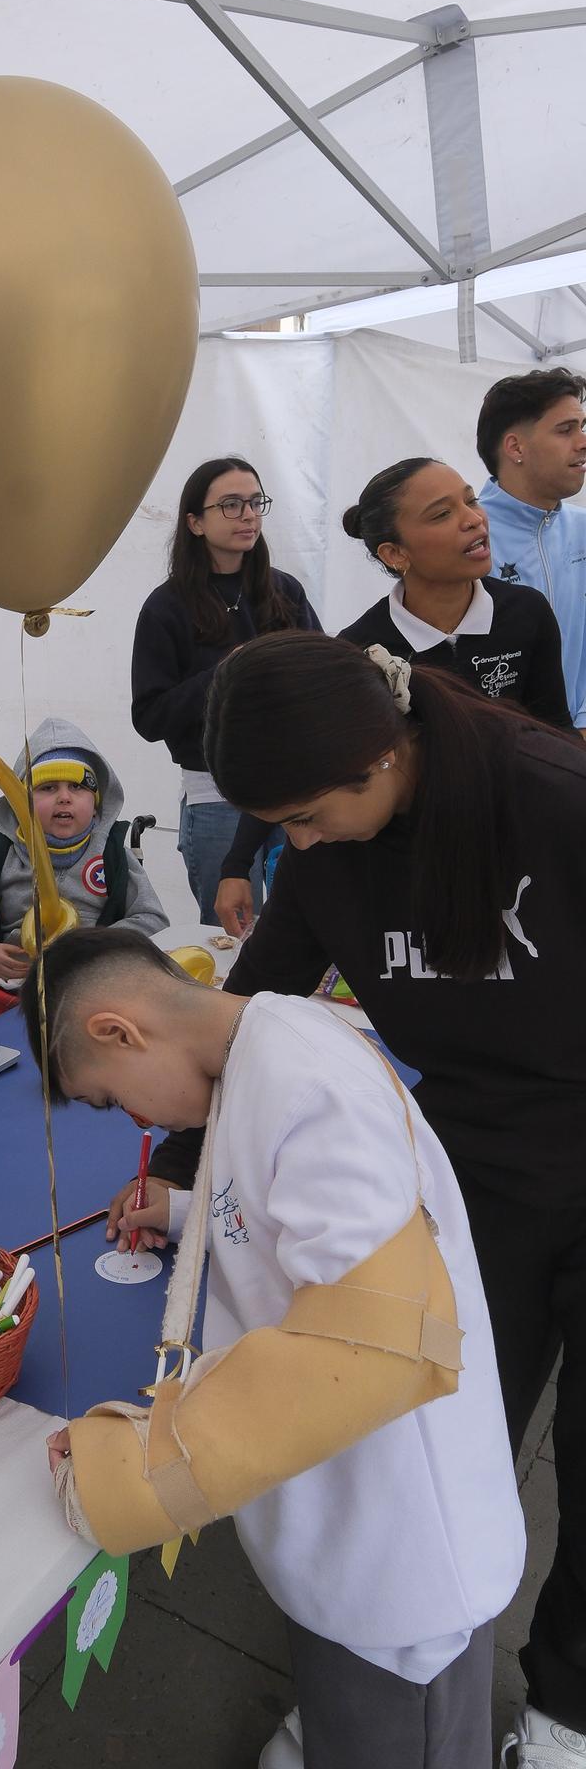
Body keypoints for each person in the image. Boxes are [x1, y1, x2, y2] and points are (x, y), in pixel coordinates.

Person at [200, 630, 586, 1768]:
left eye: (305, 815)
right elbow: (256, 1007)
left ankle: (567, 1708)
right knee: (429, 1436)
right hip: (480, 1172)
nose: (297, 843)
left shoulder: (555, 800)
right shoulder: (328, 856)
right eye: (276, 826)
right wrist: (181, 1159)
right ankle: (392, 1689)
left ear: (381, 756)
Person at [23, 927, 522, 1769]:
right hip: (342, 1511)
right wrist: (184, 1212)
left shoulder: (306, 1085)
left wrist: (136, 1468)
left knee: (394, 1727)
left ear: (119, 1031)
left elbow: (376, 1348)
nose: (136, 1120)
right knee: (342, 1694)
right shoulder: (262, 1043)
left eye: (110, 1097)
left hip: (399, 1553)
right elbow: (289, 1212)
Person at [214, 456, 573, 938]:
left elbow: (554, 730)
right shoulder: (360, 648)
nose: (473, 519)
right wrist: (236, 865)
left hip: (518, 846)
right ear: (394, 553)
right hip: (414, 865)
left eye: (470, 501)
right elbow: (299, 769)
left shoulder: (526, 612)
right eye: (442, 513)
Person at [130, 455, 321, 925]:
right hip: (217, 796)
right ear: (195, 522)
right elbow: (150, 717)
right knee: (232, 935)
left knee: (307, 927)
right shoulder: (166, 607)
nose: (249, 515)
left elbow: (324, 680)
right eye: (231, 505)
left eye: (256, 502)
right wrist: (224, 673)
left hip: (298, 789)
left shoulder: (285, 592)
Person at [0, 718, 168, 978]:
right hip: (10, 978)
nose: (64, 797)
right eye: (48, 787)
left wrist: (102, 946)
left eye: (77, 787)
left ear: (96, 805)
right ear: (20, 802)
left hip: (92, 977)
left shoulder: (112, 853)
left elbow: (154, 919)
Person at [477, 367, 586, 735]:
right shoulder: (466, 536)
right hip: (501, 751)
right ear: (516, 448)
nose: (583, 441)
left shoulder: (583, 528)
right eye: (566, 430)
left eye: (582, 426)